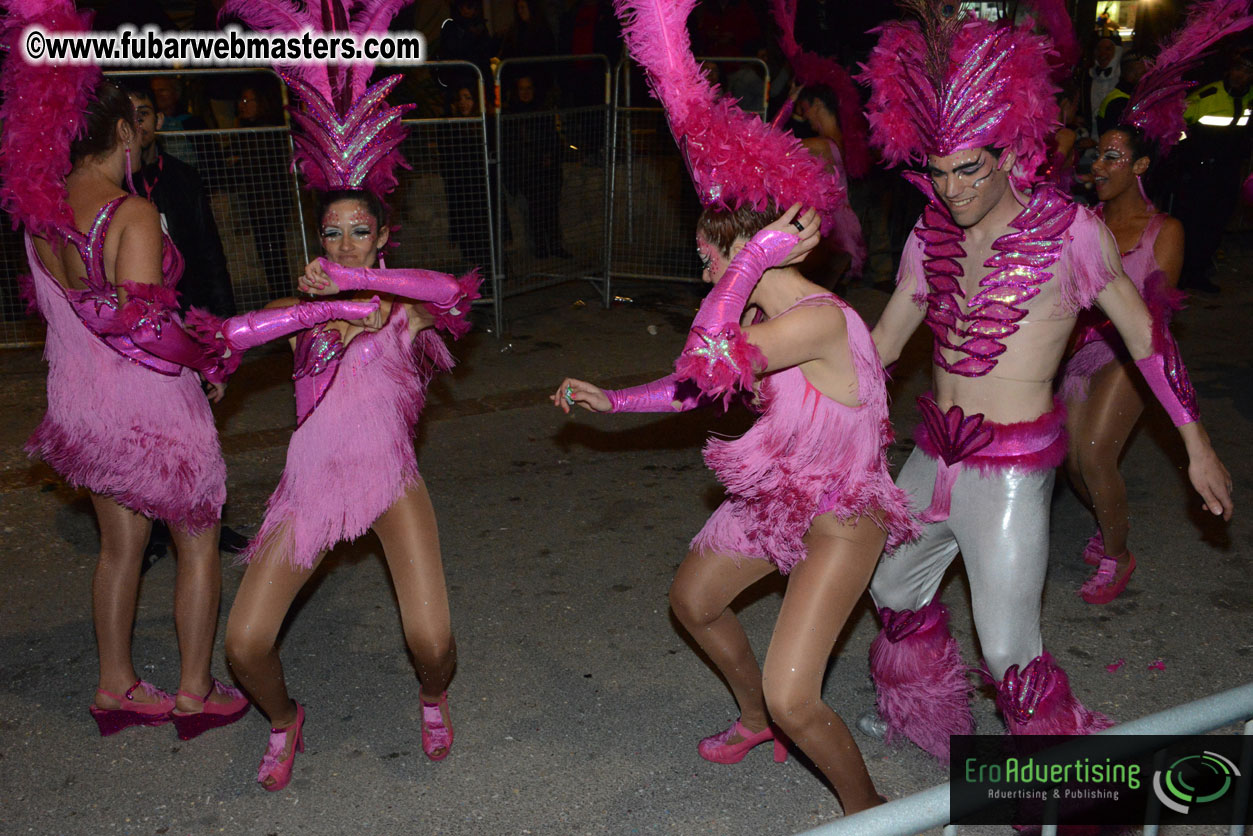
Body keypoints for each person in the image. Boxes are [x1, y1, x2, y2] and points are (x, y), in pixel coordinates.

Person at [552, 0, 915, 815]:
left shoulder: (818, 321)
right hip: (778, 496)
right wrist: (612, 398)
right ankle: (754, 721)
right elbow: (695, 381)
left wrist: (746, 261)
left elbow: (708, 359)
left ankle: (875, 816)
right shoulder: (753, 318)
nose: (701, 267)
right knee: (693, 601)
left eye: (707, 255)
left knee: (798, 698)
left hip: (841, 517)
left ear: (748, 251)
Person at [857, 2, 1232, 764]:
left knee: (1007, 651)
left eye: (969, 169)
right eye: (938, 173)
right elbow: (884, 343)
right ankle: (927, 713)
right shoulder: (929, 231)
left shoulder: (1072, 233)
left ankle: (1058, 791)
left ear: (1007, 154)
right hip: (934, 452)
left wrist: (1195, 446)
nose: (952, 190)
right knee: (891, 591)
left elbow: (1145, 338)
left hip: (1008, 473)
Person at [0, 5, 360, 741]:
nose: (145, 132)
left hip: (81, 405)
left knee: (119, 549)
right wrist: (214, 353)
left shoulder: (40, 213)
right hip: (151, 409)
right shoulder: (129, 213)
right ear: (122, 131)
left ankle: (115, 687)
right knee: (196, 543)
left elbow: (83, 313)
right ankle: (195, 692)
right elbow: (146, 329)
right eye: (138, 123)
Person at [217, 0, 481, 792]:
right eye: (331, 234)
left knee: (432, 642)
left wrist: (362, 290)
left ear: (382, 237)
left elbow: (452, 293)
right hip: (312, 486)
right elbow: (233, 333)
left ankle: (432, 696)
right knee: (245, 645)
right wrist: (314, 310)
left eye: (359, 232)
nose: (343, 245)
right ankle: (284, 719)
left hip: (391, 482)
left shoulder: (404, 307)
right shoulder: (302, 310)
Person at [1059, 0, 1253, 603]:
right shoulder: (1083, 221)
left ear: (1141, 165)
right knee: (1071, 461)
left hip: (1133, 350)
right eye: (1098, 155)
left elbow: (1153, 314)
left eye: (1113, 156)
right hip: (1080, 349)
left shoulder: (1165, 230)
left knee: (1095, 454)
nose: (1099, 165)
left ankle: (1118, 554)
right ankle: (1106, 520)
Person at [123, 82, 250, 564]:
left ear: (158, 121)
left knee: (198, 431)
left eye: (144, 113)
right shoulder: (110, 185)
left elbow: (210, 255)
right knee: (141, 432)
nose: (137, 123)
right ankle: (150, 530)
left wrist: (224, 335)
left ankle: (204, 522)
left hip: (189, 322)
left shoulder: (182, 178)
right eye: (128, 115)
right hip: (135, 333)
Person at [1172, 48, 1253, 292]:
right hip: (1201, 172)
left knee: (1216, 223)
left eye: (1247, 71)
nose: (1240, 75)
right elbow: (1176, 129)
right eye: (1238, 69)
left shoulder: (1250, 98)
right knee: (1192, 222)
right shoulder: (1207, 96)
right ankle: (1182, 273)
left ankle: (1199, 272)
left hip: (1228, 172)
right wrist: (1191, 157)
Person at [503, 74, 569, 259]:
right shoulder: (513, 114)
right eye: (521, 89)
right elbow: (512, 145)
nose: (525, 93)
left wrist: (549, 156)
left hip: (547, 170)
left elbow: (553, 139)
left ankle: (555, 245)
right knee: (535, 210)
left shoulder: (542, 112)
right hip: (528, 170)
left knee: (551, 209)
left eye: (528, 88)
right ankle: (540, 247)